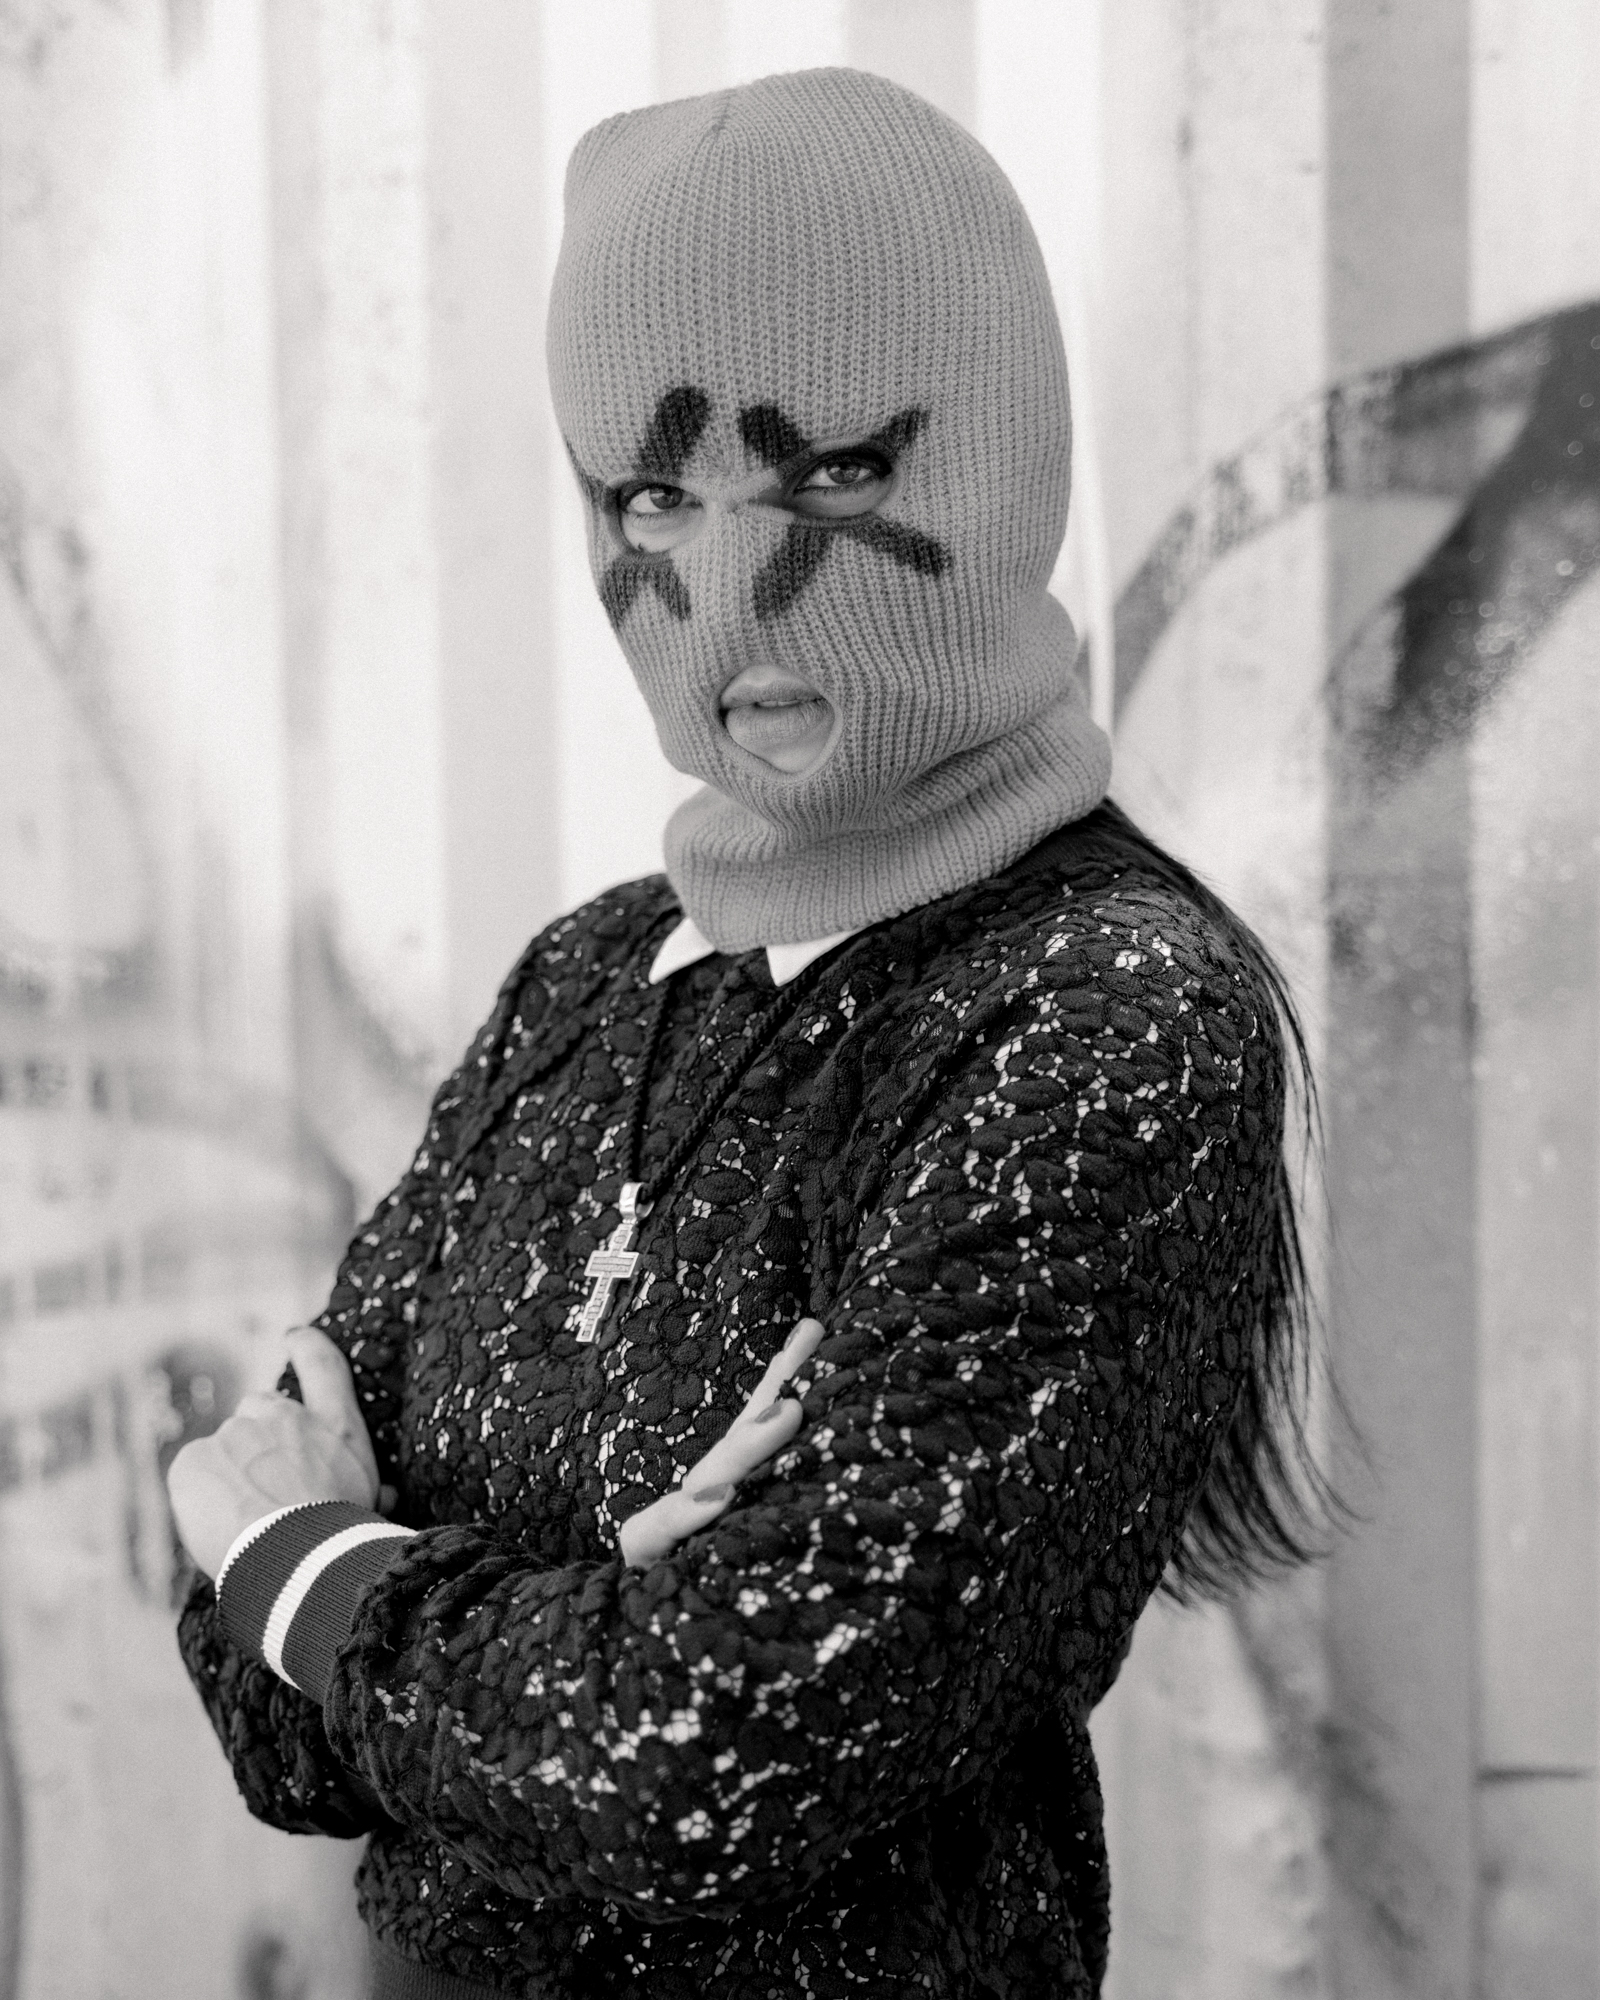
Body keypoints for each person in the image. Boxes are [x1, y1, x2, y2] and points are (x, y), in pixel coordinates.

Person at [169, 66, 1322, 2000]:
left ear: (996, 463)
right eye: (650, 495)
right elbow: (266, 1712)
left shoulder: (1110, 1020)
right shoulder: (593, 980)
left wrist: (327, 1572)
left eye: (834, 474)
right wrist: (568, 1613)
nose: (728, 587)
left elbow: (707, 1761)